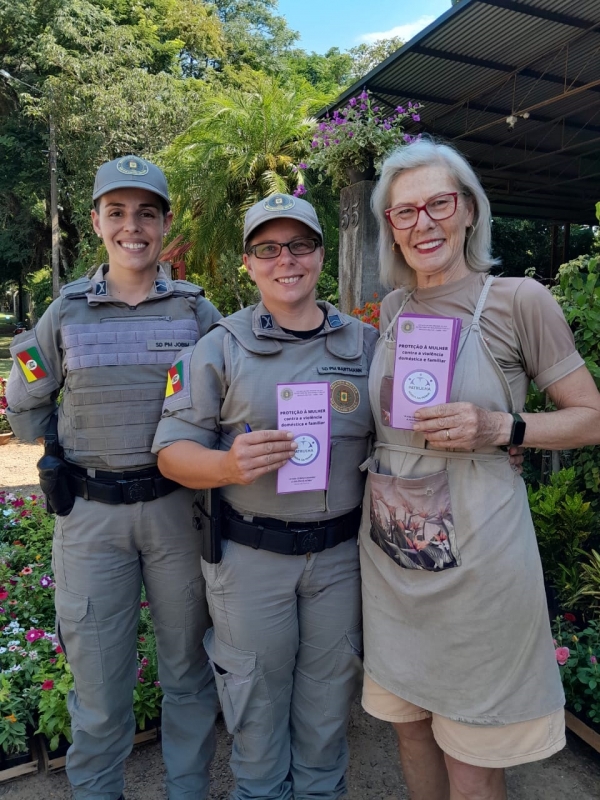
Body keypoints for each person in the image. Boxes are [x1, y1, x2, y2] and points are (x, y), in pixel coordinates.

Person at [359, 139, 600, 800]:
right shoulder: (394, 309)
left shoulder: (519, 300)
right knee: (409, 727)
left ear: (468, 210)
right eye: (404, 213)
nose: (423, 223)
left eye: (438, 203)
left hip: (480, 565)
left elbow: (591, 416)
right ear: (392, 231)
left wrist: (503, 428)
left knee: (471, 748)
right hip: (394, 558)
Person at [5, 155, 221, 800]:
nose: (133, 227)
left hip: (176, 512)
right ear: (97, 221)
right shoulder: (65, 312)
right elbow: (24, 415)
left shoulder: (196, 312)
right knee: (99, 681)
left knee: (187, 670)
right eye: (118, 212)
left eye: (147, 213)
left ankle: (186, 789)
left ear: (166, 224)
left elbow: (234, 398)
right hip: (90, 518)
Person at [153, 193, 378, 800]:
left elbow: (410, 434)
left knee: (329, 707)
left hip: (340, 560)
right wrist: (226, 463)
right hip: (250, 560)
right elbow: (171, 452)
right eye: (268, 249)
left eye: (300, 245)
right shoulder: (219, 347)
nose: (287, 261)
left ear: (321, 255)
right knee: (254, 711)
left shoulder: (367, 345)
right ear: (248, 263)